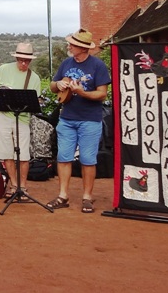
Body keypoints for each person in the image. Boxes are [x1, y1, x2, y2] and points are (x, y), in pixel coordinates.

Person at [46, 29, 112, 214]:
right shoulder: (66, 63)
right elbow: (53, 85)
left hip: (90, 120)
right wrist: (58, 84)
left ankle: (87, 197)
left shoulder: (97, 66)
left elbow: (102, 93)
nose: (69, 46)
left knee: (88, 160)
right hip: (67, 118)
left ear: (83, 48)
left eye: (72, 44)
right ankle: (63, 196)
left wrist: (82, 92)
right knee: (63, 157)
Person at [0, 43, 42, 198]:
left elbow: (35, 101)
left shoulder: (34, 78)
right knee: (6, 153)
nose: (23, 63)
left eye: (27, 61)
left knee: (23, 156)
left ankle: (23, 187)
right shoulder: (4, 69)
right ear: (16, 58)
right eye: (21, 60)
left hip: (21, 119)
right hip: (3, 115)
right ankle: (13, 185)